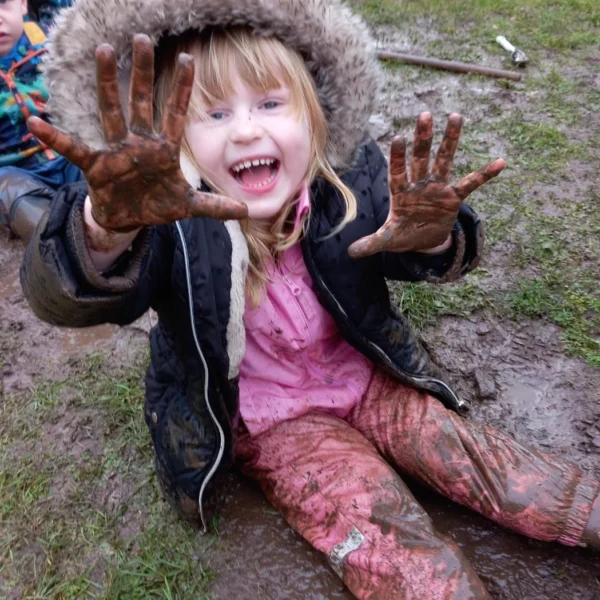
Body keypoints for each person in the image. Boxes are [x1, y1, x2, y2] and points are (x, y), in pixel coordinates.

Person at [20, 0, 599, 598]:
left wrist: (435, 237)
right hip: (273, 420)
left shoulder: (349, 176)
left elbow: (407, 247)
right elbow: (63, 298)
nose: (246, 129)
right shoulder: (162, 222)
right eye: (214, 113)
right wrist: (105, 231)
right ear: (175, 141)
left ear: (316, 115)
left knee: (475, 455)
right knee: (382, 531)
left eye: (271, 103)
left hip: (364, 378)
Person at [0, 0, 80, 242]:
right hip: (19, 173)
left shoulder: (53, 41)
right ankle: (58, 241)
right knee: (7, 191)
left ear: (23, 4)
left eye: (3, 3)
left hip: (70, 156)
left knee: (102, 166)